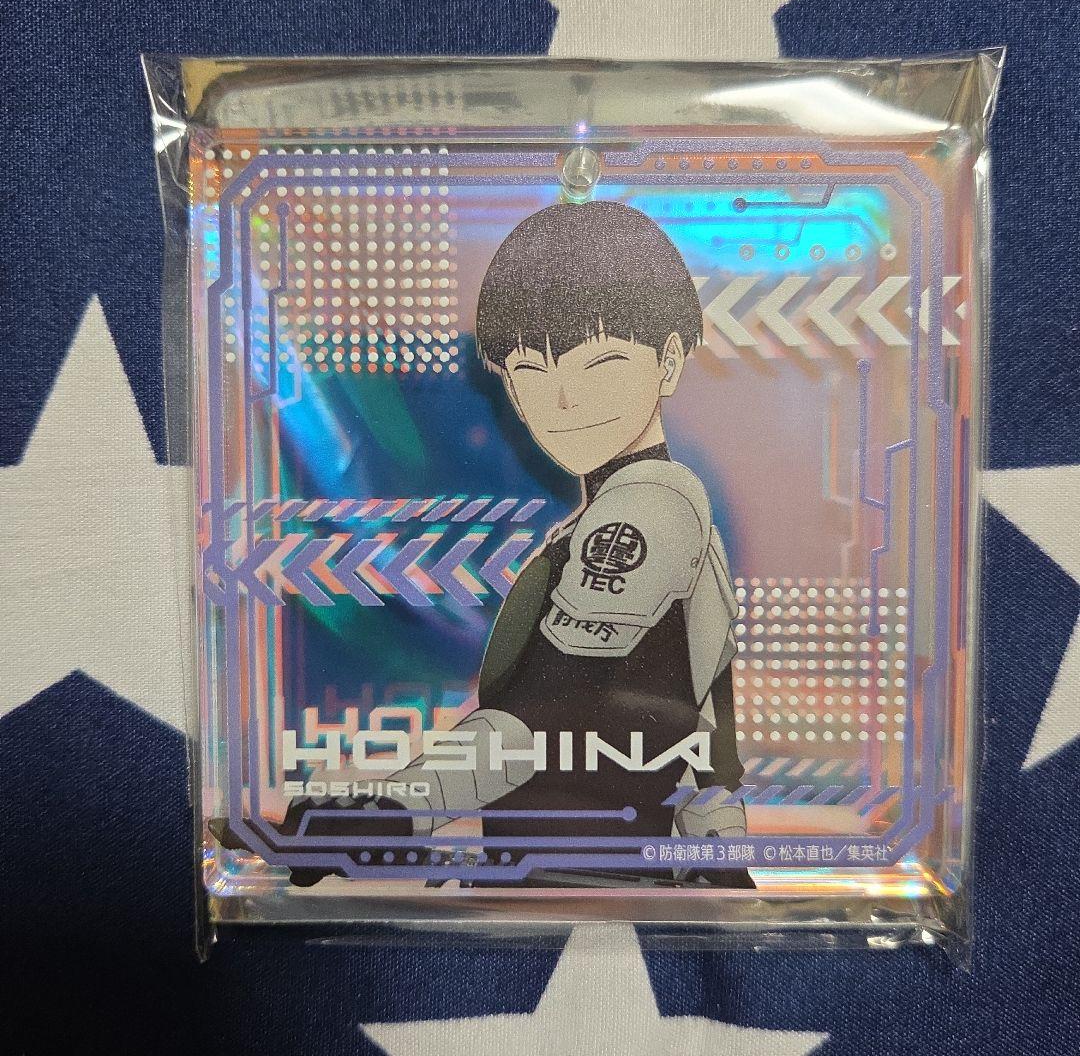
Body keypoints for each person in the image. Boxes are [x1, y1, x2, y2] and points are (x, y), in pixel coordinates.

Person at [216, 200, 753, 888]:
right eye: (531, 372)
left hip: (577, 876)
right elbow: (706, 726)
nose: (564, 402)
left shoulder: (648, 506)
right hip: (581, 875)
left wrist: (396, 810)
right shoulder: (645, 510)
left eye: (602, 365)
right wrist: (718, 849)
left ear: (669, 362)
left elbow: (541, 720)